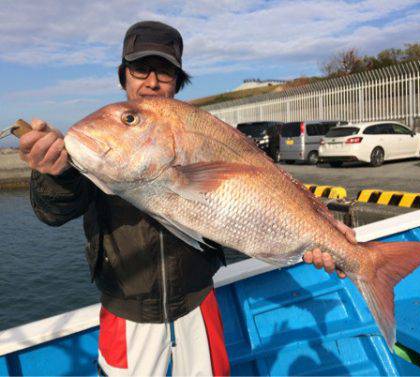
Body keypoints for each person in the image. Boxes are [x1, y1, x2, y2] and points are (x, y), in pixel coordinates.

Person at [18, 20, 348, 376]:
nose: (152, 81)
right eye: (141, 68)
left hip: (198, 304)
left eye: (165, 71)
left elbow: (252, 203)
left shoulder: (200, 131)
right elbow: (54, 211)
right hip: (127, 313)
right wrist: (55, 172)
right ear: (124, 76)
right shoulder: (102, 145)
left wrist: (314, 237)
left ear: (177, 81)